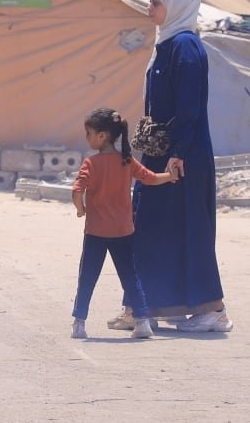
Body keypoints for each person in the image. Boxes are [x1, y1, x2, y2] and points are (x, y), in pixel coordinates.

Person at [132, 0, 233, 333]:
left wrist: (177, 153)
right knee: (157, 228)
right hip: (162, 155)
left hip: (182, 158)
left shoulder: (185, 47)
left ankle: (213, 309)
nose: (149, 7)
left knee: (190, 229)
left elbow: (188, 107)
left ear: (175, 6)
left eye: (155, 2)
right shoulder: (166, 45)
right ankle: (163, 304)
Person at [70, 108, 174, 340]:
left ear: (102, 136)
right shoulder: (127, 162)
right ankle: (143, 322)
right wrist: (171, 176)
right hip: (123, 231)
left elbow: (77, 190)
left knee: (87, 277)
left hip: (96, 231)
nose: (87, 138)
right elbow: (151, 178)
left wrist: (81, 210)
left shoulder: (91, 163)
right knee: (130, 277)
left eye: (89, 133)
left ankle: (79, 323)